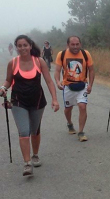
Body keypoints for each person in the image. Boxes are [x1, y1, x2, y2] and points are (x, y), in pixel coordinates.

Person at [0, 35, 59, 176]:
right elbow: (8, 80)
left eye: (25, 45)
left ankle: (35, 155)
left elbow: (49, 82)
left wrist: (55, 99)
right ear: (16, 48)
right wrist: (3, 88)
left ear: (30, 46)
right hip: (18, 102)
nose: (22, 48)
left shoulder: (39, 62)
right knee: (24, 131)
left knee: (35, 130)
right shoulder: (13, 63)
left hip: (37, 101)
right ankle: (27, 163)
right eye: (19, 46)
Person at [54, 36, 95, 142]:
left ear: (80, 44)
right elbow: (57, 70)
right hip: (67, 86)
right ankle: (70, 123)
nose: (75, 46)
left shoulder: (86, 54)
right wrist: (58, 82)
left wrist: (90, 84)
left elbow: (91, 70)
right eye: (73, 44)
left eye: (77, 44)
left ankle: (81, 132)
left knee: (82, 106)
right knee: (68, 108)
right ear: (68, 45)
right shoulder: (61, 54)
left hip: (82, 85)